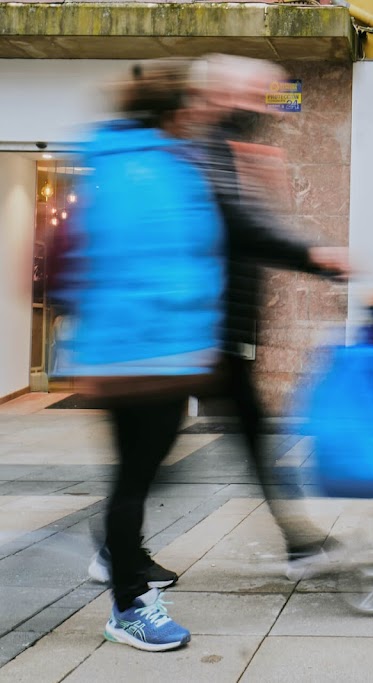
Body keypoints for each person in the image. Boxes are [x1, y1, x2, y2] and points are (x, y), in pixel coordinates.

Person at [68, 58, 226, 651]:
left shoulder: (102, 163)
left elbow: (90, 258)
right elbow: (182, 261)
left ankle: (123, 563)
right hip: (157, 353)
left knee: (134, 476)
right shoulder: (164, 170)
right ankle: (129, 601)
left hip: (116, 353)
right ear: (176, 112)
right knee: (138, 477)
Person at [186, 54, 349, 577]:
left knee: (248, 439)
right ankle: (299, 543)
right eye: (260, 95)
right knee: (167, 446)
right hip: (202, 329)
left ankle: (299, 542)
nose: (271, 107)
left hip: (217, 328)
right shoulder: (209, 146)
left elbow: (245, 223)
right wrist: (316, 256)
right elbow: (242, 226)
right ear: (227, 95)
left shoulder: (224, 146)